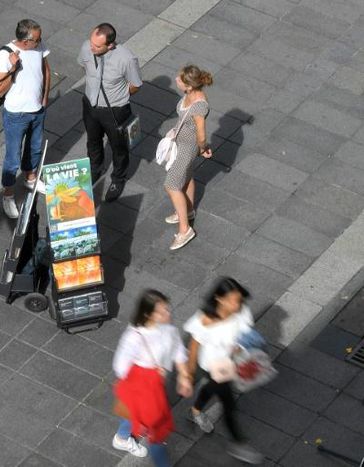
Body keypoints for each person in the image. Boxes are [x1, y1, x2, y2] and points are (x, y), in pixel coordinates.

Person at [184, 277, 264, 464]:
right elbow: (194, 345)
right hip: (214, 366)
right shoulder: (205, 319)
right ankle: (238, 444)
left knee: (211, 389)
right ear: (219, 298)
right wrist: (189, 371)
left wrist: (241, 348)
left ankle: (195, 411)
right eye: (232, 300)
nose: (237, 304)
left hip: (233, 362)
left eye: (238, 299)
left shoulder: (241, 311)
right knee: (229, 405)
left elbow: (246, 335)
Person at [112, 290, 193, 466]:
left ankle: (122, 438)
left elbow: (178, 350)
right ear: (148, 314)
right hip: (141, 387)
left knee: (136, 416)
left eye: (167, 309)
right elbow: (120, 366)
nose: (168, 314)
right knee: (156, 429)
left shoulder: (169, 329)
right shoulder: (134, 336)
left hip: (153, 385)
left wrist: (184, 376)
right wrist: (146, 375)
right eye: (162, 311)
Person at [78, 23, 143, 202]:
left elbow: (135, 84)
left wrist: (120, 96)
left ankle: (118, 178)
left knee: (119, 147)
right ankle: (95, 168)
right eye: (92, 42)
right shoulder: (86, 47)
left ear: (111, 45)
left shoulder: (126, 58)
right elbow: (84, 66)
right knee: (93, 140)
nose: (92, 47)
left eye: (97, 46)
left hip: (116, 110)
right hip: (90, 105)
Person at [0, 18, 51, 218]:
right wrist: (12, 69)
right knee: (12, 158)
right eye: (37, 39)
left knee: (34, 148)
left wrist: (44, 97)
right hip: (16, 115)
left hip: (37, 110)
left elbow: (45, 69)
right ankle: (8, 196)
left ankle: (30, 178)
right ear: (26, 41)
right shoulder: (5, 55)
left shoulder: (39, 46)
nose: (41, 41)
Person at [163, 65, 213, 250]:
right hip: (181, 142)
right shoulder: (189, 94)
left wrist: (203, 147)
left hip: (188, 146)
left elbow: (201, 134)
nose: (176, 80)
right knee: (188, 177)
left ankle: (185, 231)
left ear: (189, 87)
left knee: (171, 184)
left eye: (180, 79)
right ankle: (188, 210)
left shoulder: (199, 105)